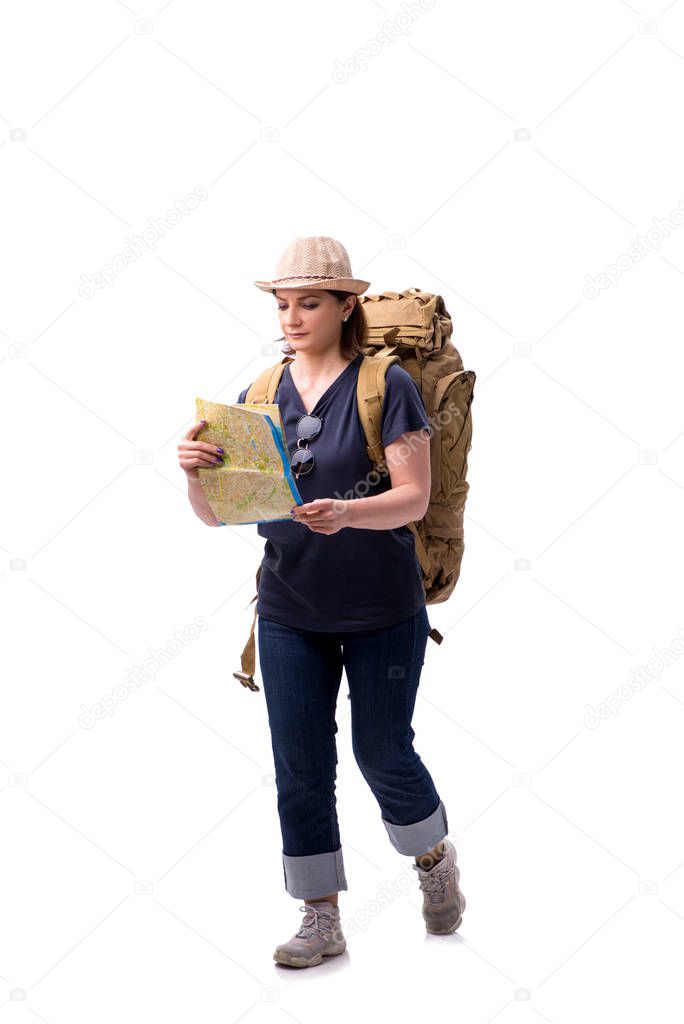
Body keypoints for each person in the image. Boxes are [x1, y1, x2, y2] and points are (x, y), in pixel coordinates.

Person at [178, 236, 465, 968]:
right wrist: (192, 473)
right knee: (299, 763)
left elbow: (414, 497)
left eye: (310, 302)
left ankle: (431, 858)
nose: (293, 316)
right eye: (283, 303)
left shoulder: (384, 383)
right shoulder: (259, 392)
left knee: (382, 751)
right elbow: (221, 515)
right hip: (288, 607)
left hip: (382, 608)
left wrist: (346, 511)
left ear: (345, 307)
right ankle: (320, 916)